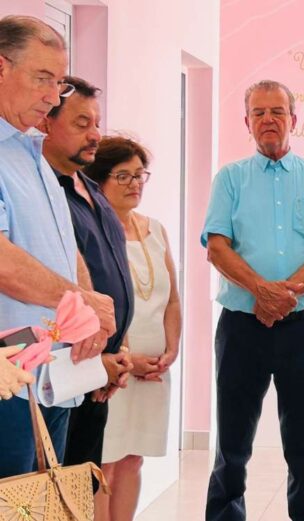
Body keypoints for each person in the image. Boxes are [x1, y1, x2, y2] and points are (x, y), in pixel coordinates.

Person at [202, 79, 304, 521]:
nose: (269, 119)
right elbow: (217, 247)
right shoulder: (230, 179)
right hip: (241, 327)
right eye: (259, 112)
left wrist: (286, 294)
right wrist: (260, 291)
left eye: (277, 111)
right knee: (232, 446)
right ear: (247, 122)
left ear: (293, 119)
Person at [0, 15, 115, 479]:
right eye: (42, 79)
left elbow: (64, 246)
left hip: (56, 375)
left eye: (59, 82)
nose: (53, 97)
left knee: (45, 502)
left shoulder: (32, 151)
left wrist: (90, 310)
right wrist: (81, 301)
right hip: (9, 378)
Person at [81, 135, 181, 521]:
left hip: (154, 371)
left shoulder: (155, 229)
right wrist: (128, 359)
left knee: (133, 459)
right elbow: (92, 304)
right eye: (123, 176)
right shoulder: (92, 232)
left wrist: (170, 351)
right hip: (113, 368)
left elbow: (172, 299)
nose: (135, 184)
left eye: (140, 175)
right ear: (98, 180)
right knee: (104, 464)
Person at [40, 76, 134, 481]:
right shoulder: (46, 195)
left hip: (100, 370)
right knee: (53, 491)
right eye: (82, 124)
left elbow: (114, 276)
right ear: (46, 123)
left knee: (84, 489)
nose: (95, 134)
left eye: (96, 123)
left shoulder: (93, 190)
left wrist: (121, 346)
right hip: (65, 372)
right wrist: (95, 364)